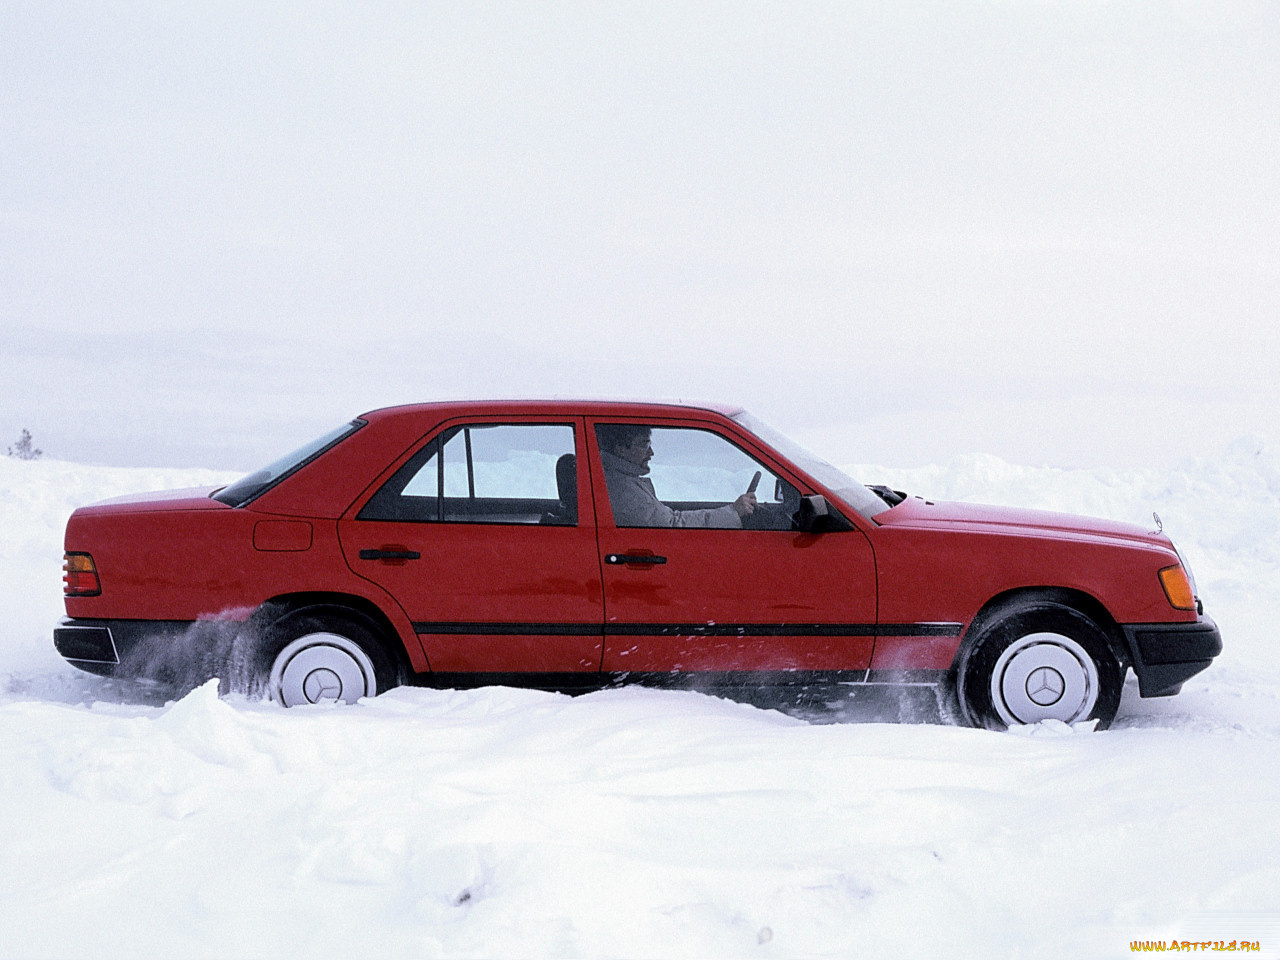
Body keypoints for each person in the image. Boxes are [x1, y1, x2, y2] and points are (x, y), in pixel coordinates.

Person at [596, 424, 756, 528]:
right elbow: (671, 525)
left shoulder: (618, 479)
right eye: (644, 444)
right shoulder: (622, 490)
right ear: (620, 449)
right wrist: (733, 512)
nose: (651, 453)